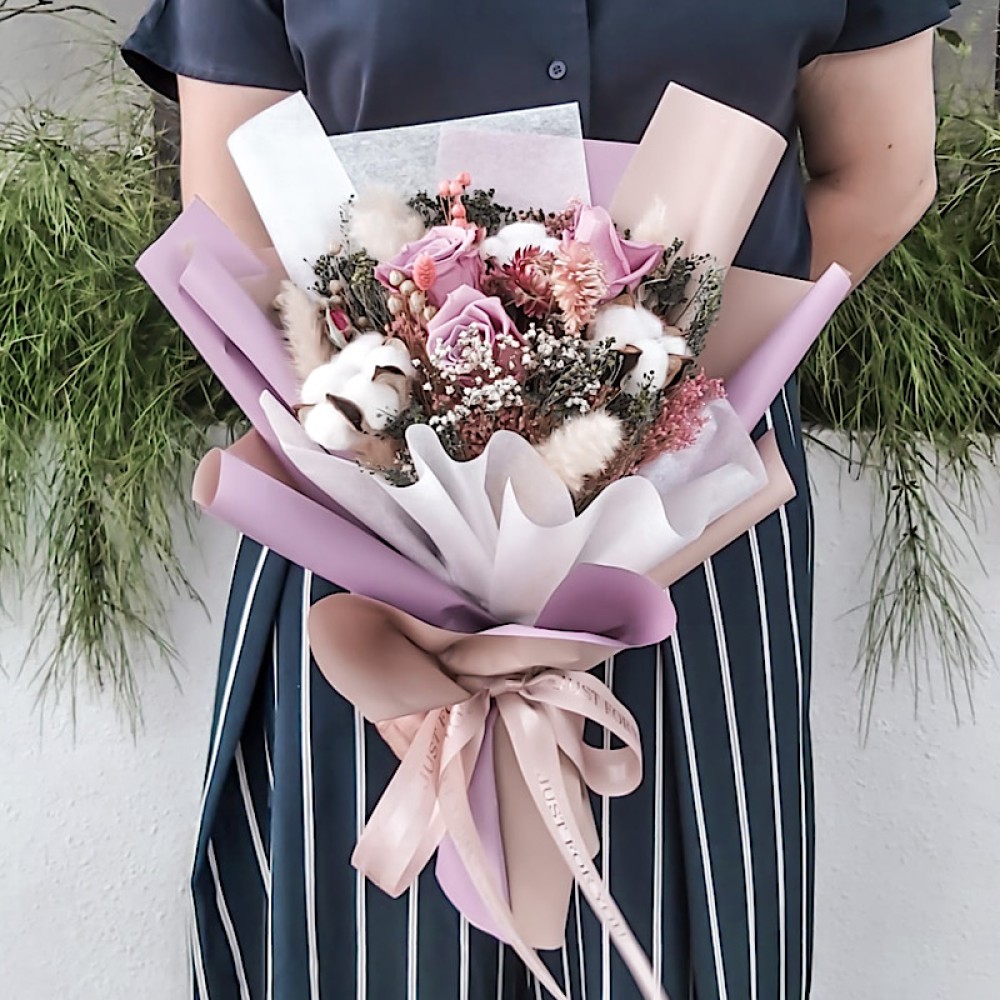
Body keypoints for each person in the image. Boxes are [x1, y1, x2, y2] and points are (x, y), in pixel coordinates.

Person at [122, 2, 958, 997]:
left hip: (688, 520)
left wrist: (651, 394)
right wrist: (430, 429)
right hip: (365, 525)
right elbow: (238, 214)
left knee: (691, 933)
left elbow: (880, 171)